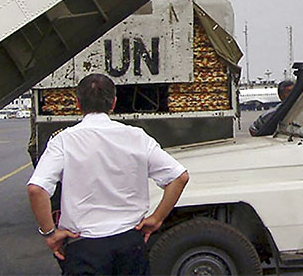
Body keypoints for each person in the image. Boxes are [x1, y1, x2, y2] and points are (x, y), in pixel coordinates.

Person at [27, 74, 189, 275]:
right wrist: (157, 219)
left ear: (78, 104)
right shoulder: (136, 137)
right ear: (114, 103)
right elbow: (179, 177)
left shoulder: (64, 141)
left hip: (84, 247)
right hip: (130, 243)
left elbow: (37, 190)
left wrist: (50, 233)